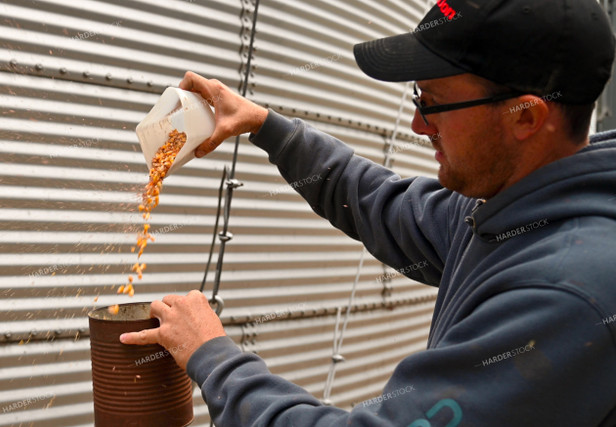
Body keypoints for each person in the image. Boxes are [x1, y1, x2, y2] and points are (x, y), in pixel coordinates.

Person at [121, 0, 616, 425]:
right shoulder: (507, 206)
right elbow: (385, 205)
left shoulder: (566, 294)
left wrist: (213, 357)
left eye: (435, 103)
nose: (419, 124)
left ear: (525, 116)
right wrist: (264, 126)